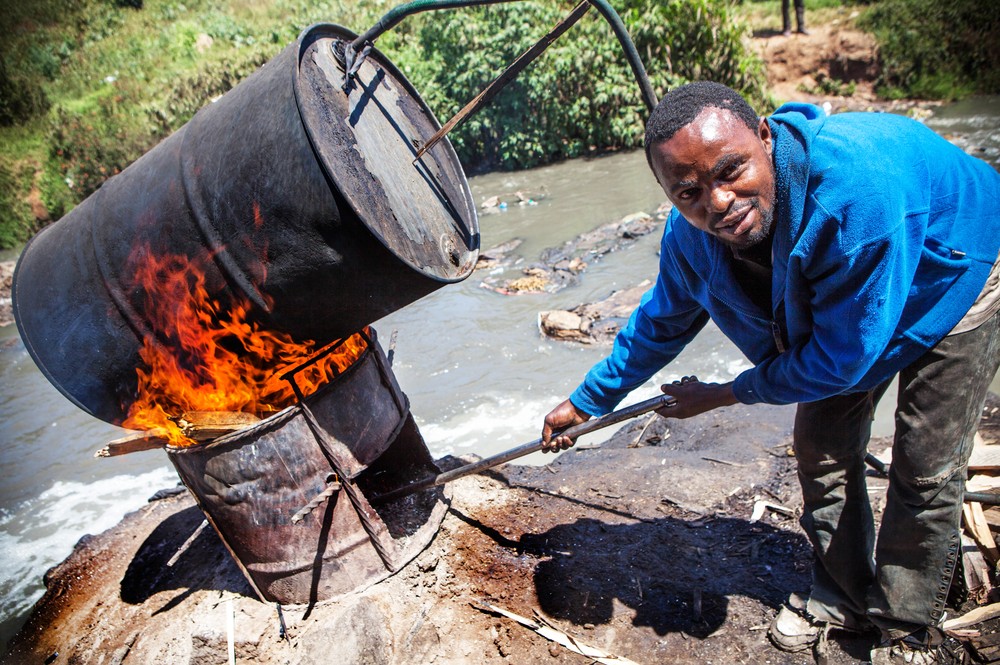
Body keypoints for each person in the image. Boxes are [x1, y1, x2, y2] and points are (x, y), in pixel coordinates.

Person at [541, 81, 1000, 663]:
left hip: (956, 266)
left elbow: (843, 360)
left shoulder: (855, 198)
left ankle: (905, 622)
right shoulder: (690, 237)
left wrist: (727, 394)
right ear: (668, 195)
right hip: (852, 308)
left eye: (732, 170)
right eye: (689, 191)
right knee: (822, 452)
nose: (720, 201)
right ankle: (843, 596)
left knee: (924, 464)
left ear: (765, 136)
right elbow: (662, 322)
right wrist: (586, 401)